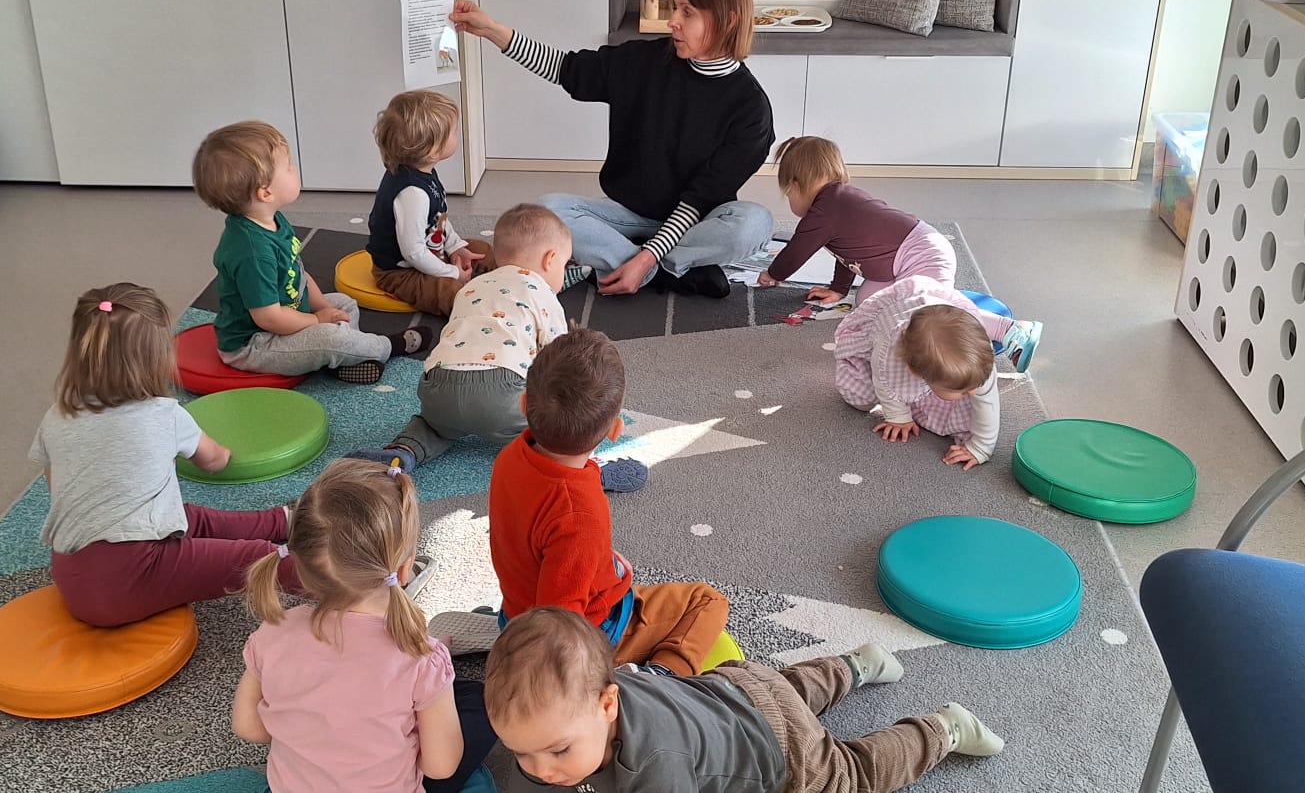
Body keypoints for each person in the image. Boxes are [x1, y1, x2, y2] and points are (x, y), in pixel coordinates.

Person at [450, 0, 775, 299]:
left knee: (755, 223)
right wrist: (492, 30)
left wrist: (648, 256)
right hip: (628, 214)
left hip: (696, 221)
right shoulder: (645, 61)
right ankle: (672, 272)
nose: (673, 21)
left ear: (728, 21)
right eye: (675, 7)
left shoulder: (751, 110)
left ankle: (640, 264)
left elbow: (700, 198)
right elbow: (565, 69)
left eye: (687, 12)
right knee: (548, 210)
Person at [484, 607, 1004, 792]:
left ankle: (942, 729)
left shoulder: (657, 765)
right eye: (520, 751)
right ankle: (853, 665)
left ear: (606, 705)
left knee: (850, 777)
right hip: (736, 685)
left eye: (558, 751)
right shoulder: (592, 691)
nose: (540, 770)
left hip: (778, 750)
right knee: (791, 690)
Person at [29, 283, 304, 627]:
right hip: (130, 577)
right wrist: (227, 451)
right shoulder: (163, 414)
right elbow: (214, 460)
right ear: (157, 358)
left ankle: (281, 521)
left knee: (185, 517)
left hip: (70, 574)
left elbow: (58, 488)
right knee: (257, 557)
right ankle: (349, 577)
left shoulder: (56, 416)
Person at [234, 459, 495, 793]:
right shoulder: (421, 658)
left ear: (301, 567)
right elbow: (440, 767)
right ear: (405, 568)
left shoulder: (274, 631)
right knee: (480, 700)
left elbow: (249, 727)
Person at [488, 331, 722, 674]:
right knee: (708, 601)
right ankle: (659, 677)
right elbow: (560, 625)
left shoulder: (509, 457)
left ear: (523, 405)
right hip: (588, 639)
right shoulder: (579, 514)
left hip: (515, 613)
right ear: (615, 430)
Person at [365, 205, 638, 492]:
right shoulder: (542, 293)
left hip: (438, 385)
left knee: (433, 426)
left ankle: (402, 452)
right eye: (565, 264)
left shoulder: (471, 286)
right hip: (500, 391)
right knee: (549, 428)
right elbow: (560, 362)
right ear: (550, 259)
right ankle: (579, 470)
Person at [194, 120, 434, 384]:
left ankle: (343, 356)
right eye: (288, 166)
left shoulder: (271, 219)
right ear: (265, 192)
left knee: (344, 303)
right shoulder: (252, 252)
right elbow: (269, 318)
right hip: (257, 343)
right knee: (332, 336)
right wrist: (317, 320)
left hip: (288, 318)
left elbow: (298, 273)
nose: (294, 168)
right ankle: (387, 347)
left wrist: (324, 309)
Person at [832, 278, 1043, 469]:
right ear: (916, 372)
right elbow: (883, 382)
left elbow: (988, 402)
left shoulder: (980, 357)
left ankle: (1004, 328)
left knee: (968, 415)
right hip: (891, 318)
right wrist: (898, 417)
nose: (971, 393)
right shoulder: (888, 353)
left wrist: (981, 447)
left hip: (939, 303)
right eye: (962, 390)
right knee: (858, 398)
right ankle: (920, 395)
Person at [757, 136, 960, 304]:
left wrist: (773, 274)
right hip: (906, 261)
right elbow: (846, 254)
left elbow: (796, 251)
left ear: (794, 186)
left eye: (788, 195)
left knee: (927, 311)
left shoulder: (824, 211)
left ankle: (972, 318)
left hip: (922, 254)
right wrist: (838, 289)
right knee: (866, 303)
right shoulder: (837, 204)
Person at [366, 90, 492, 317]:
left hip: (431, 252)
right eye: (454, 131)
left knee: (483, 251)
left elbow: (438, 219)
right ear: (432, 150)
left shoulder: (424, 171)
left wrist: (456, 247)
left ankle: (512, 284)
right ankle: (485, 315)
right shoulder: (412, 194)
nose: (458, 134)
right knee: (450, 293)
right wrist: (452, 273)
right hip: (400, 271)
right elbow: (413, 253)